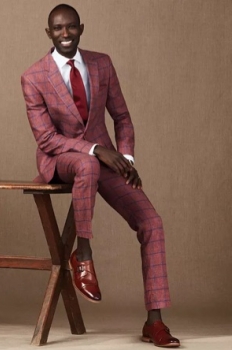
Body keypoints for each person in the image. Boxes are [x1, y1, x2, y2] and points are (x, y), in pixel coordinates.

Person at [21, 4, 179, 348]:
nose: (65, 34)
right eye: (58, 29)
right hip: (61, 159)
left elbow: (121, 117)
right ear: (48, 33)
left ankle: (155, 322)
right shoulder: (34, 76)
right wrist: (94, 150)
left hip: (105, 160)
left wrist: (125, 158)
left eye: (71, 27)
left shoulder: (101, 63)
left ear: (81, 28)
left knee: (152, 222)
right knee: (88, 164)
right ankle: (84, 255)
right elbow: (46, 138)